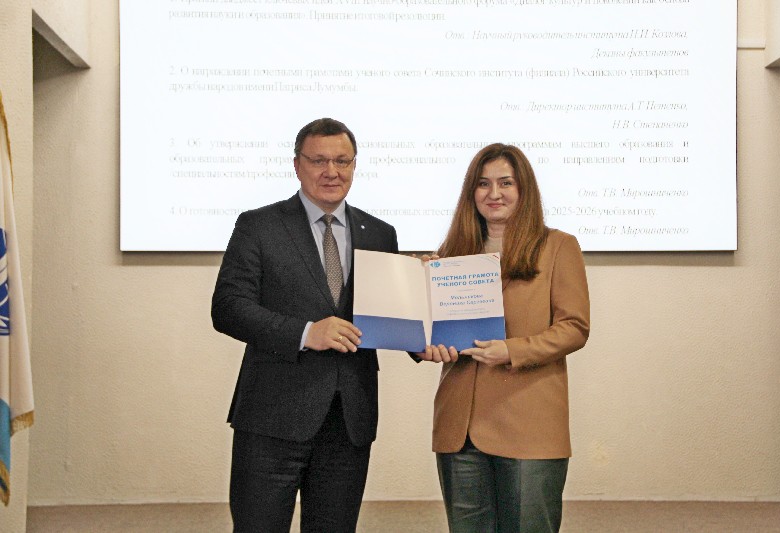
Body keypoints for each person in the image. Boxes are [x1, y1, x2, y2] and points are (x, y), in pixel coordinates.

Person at [211, 118, 399, 532]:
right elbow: (228, 307)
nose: (331, 171)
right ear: (297, 165)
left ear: (354, 165)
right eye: (318, 161)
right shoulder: (259, 225)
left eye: (342, 161)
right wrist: (304, 332)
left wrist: (423, 322)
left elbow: (388, 316)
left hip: (348, 421)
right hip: (272, 417)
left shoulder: (380, 234)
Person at [418, 143, 590, 533]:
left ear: (523, 189)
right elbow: (429, 334)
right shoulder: (450, 255)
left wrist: (511, 350)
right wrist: (420, 302)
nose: (493, 193)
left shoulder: (557, 246)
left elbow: (574, 327)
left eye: (505, 183)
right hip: (460, 429)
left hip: (528, 423)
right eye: (483, 184)